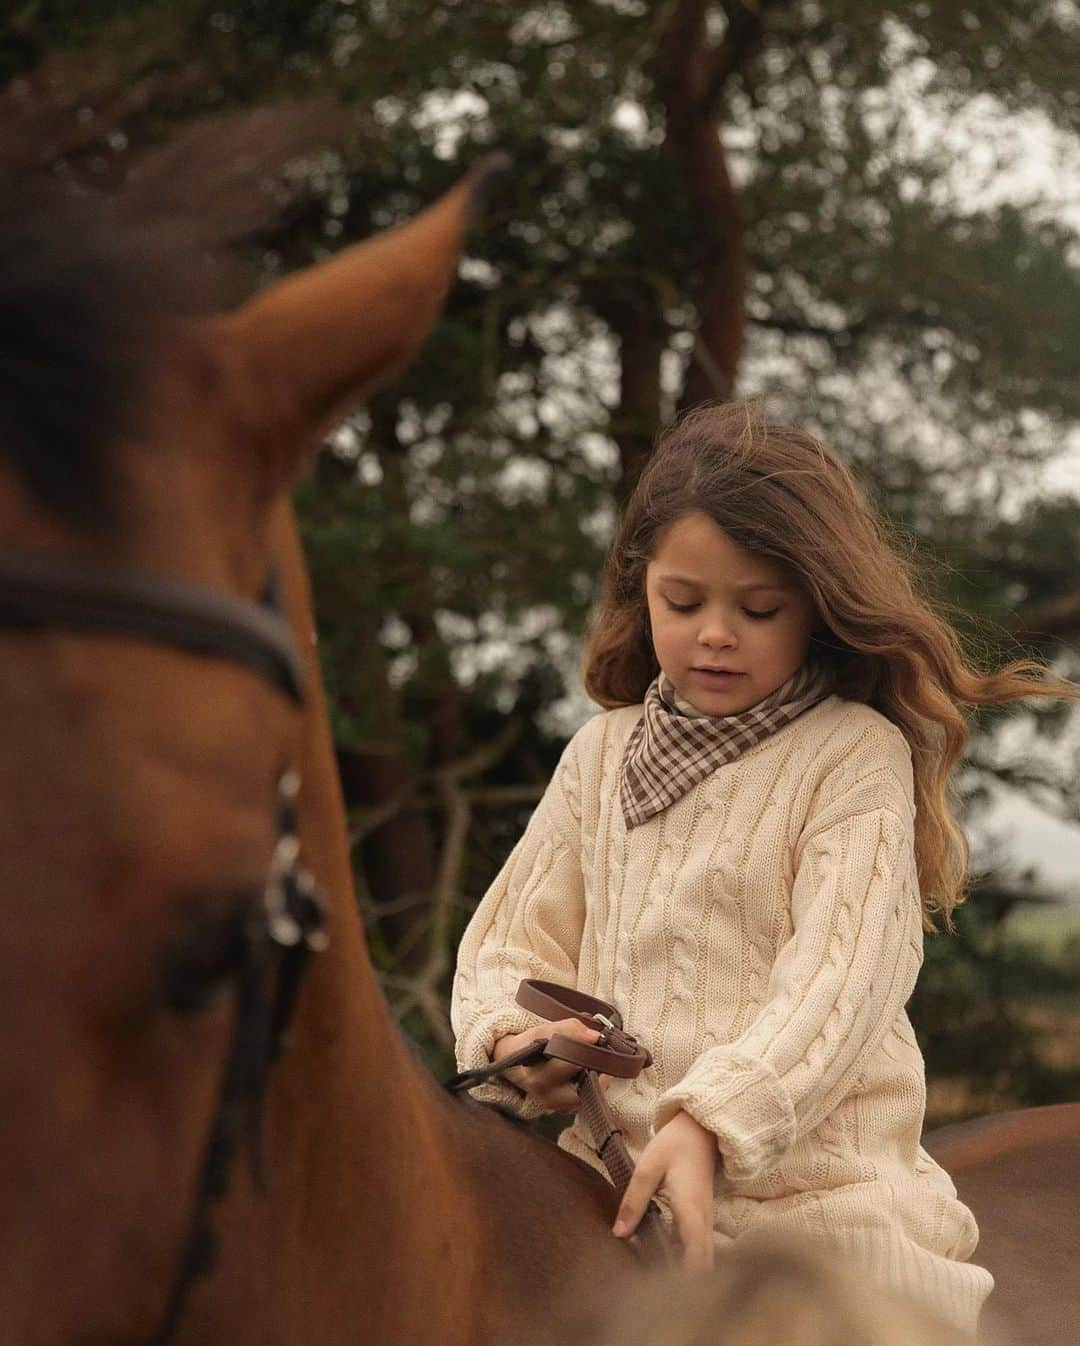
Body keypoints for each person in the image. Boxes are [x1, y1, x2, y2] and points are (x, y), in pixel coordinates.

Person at [450, 401, 1077, 1338]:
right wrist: (511, 1040)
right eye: (683, 601)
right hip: (616, 1180)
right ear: (640, 591)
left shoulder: (849, 756)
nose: (714, 634)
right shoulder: (601, 755)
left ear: (815, 609)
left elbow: (841, 979)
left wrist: (709, 1123)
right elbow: (506, 940)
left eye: (758, 609)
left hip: (817, 1198)